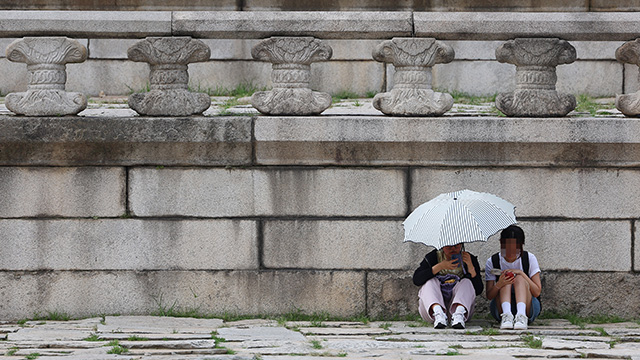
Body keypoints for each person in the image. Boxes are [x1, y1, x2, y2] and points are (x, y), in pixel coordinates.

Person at [413, 243, 483, 329]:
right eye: (449, 246)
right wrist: (440, 266)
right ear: (442, 246)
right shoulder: (433, 257)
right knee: (430, 282)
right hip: (432, 311)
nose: (453, 249)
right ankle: (439, 313)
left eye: (457, 246)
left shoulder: (468, 258)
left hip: (460, 309)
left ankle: (458, 315)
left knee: (466, 282)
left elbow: (478, 289)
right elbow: (417, 279)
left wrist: (471, 267)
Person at [485, 225, 542, 330]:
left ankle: (521, 316)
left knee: (519, 279)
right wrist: (499, 284)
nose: (511, 251)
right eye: (507, 247)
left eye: (515, 247)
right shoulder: (493, 261)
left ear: (521, 245)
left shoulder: (529, 258)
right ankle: (507, 316)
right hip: (501, 308)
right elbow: (489, 295)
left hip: (528, 306)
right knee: (506, 279)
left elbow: (537, 292)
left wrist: (521, 273)